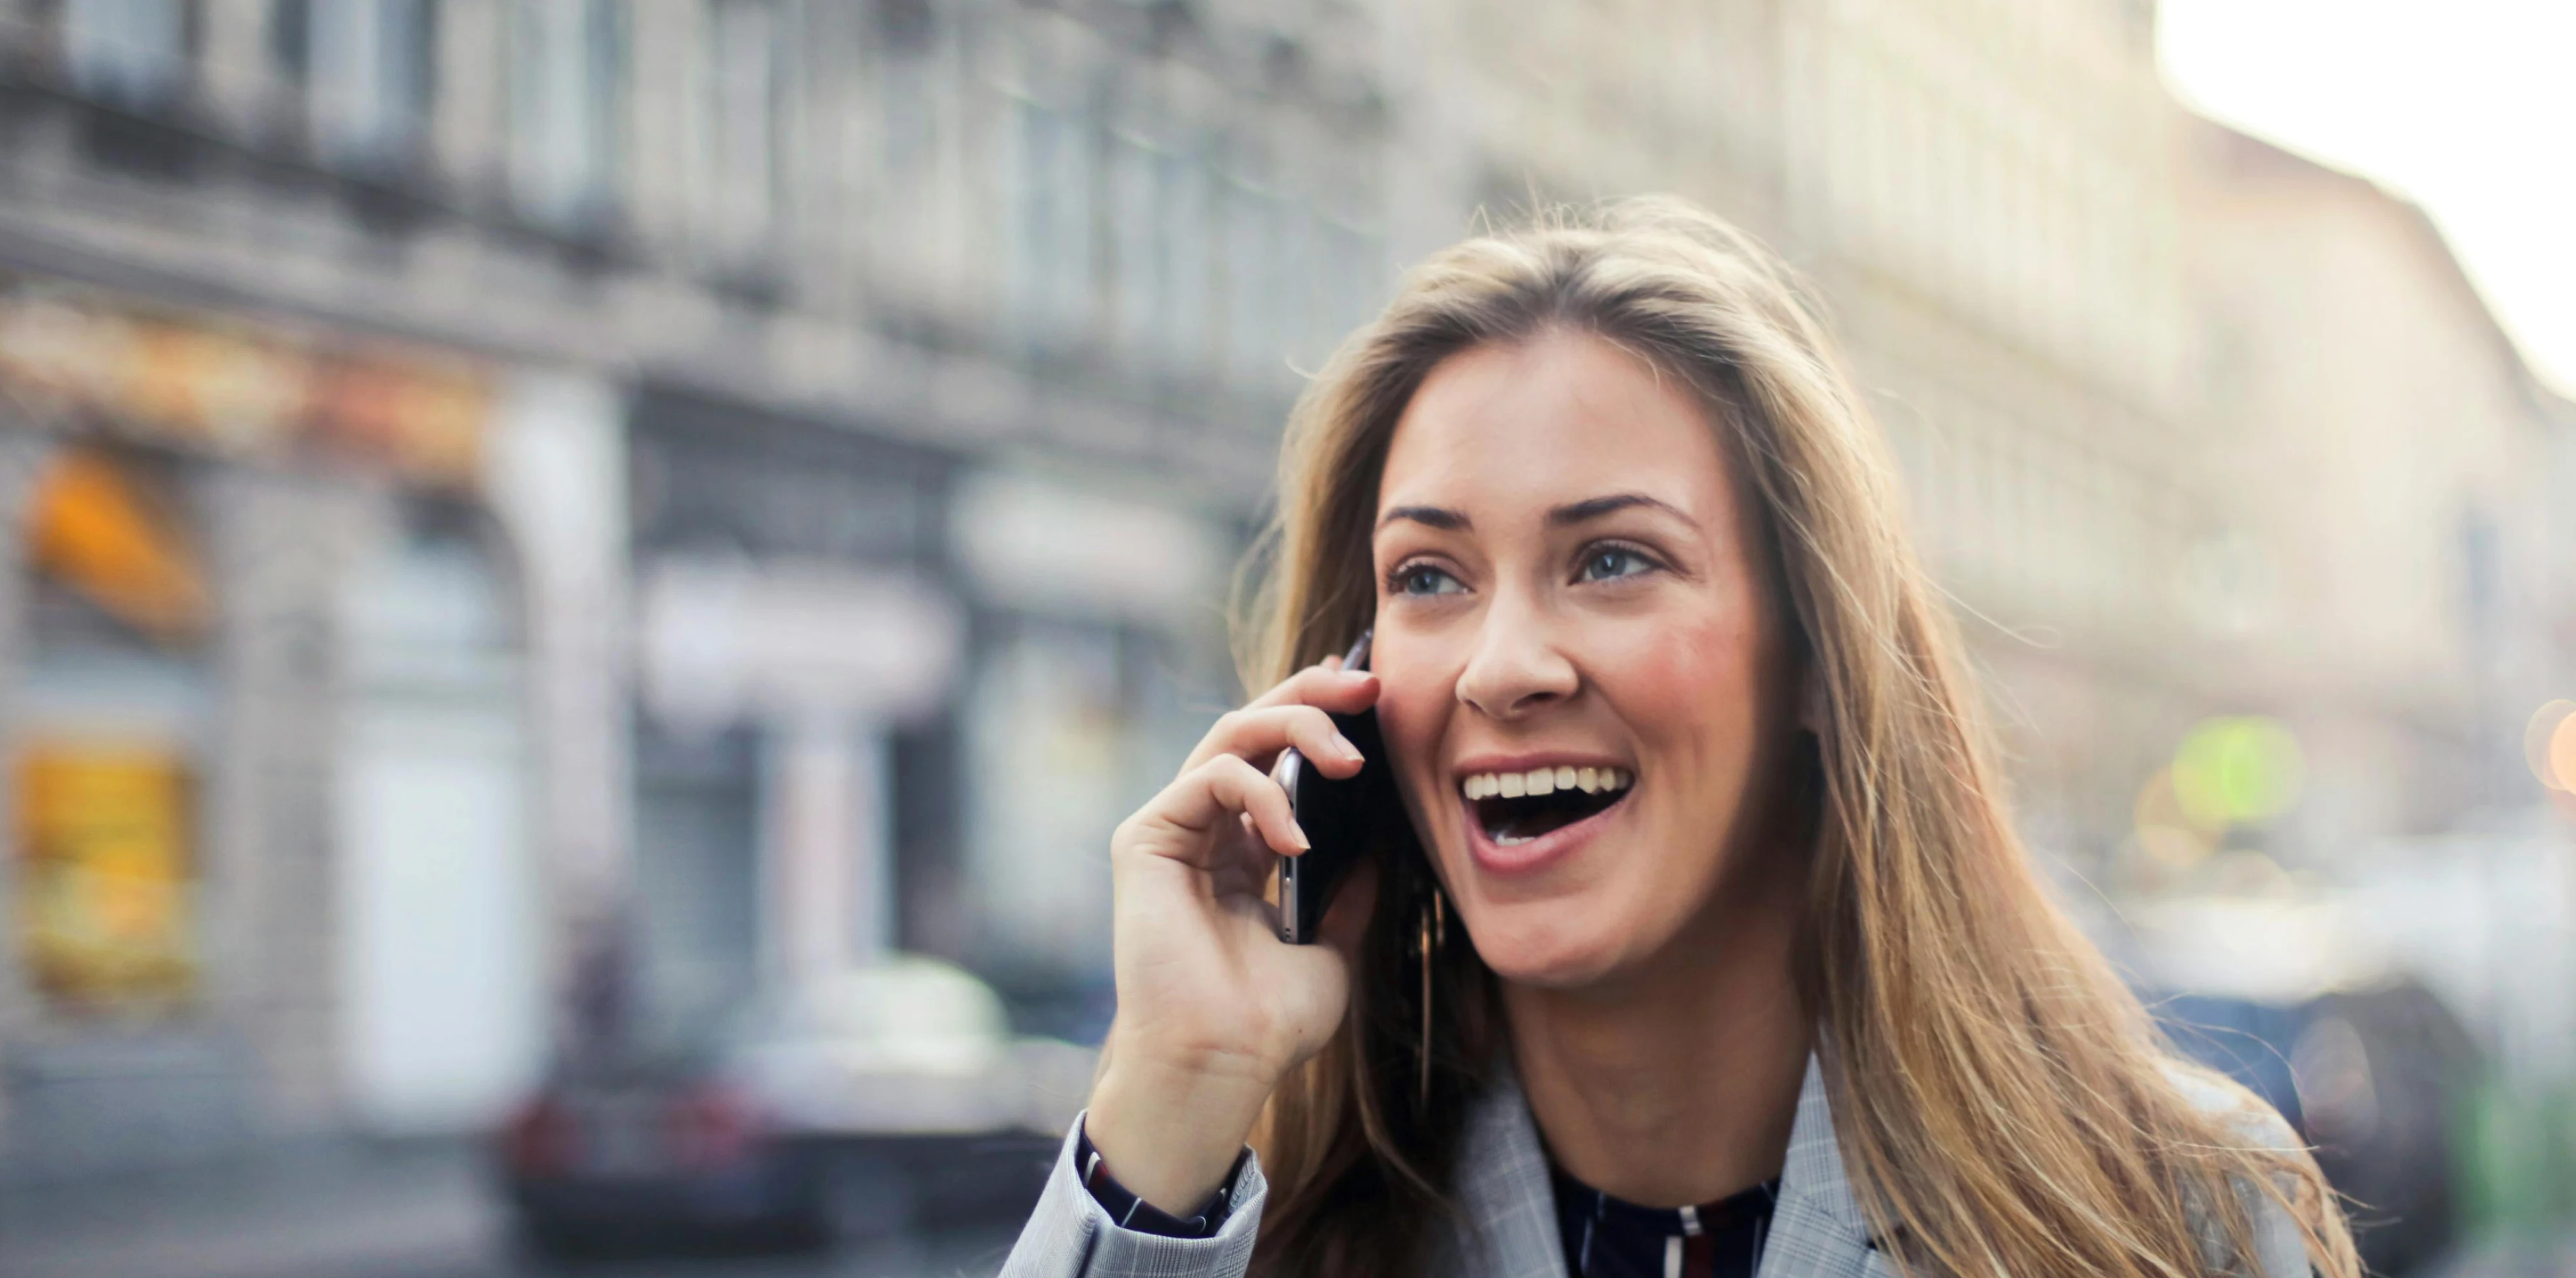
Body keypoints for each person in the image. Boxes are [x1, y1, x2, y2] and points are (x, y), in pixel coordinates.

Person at [999, 199, 2352, 1278]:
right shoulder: (1236, 1227)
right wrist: (1173, 1092)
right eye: (1428, 578)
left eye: (1613, 559)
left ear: (1817, 658)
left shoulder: (2166, 1218)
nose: (1504, 665)